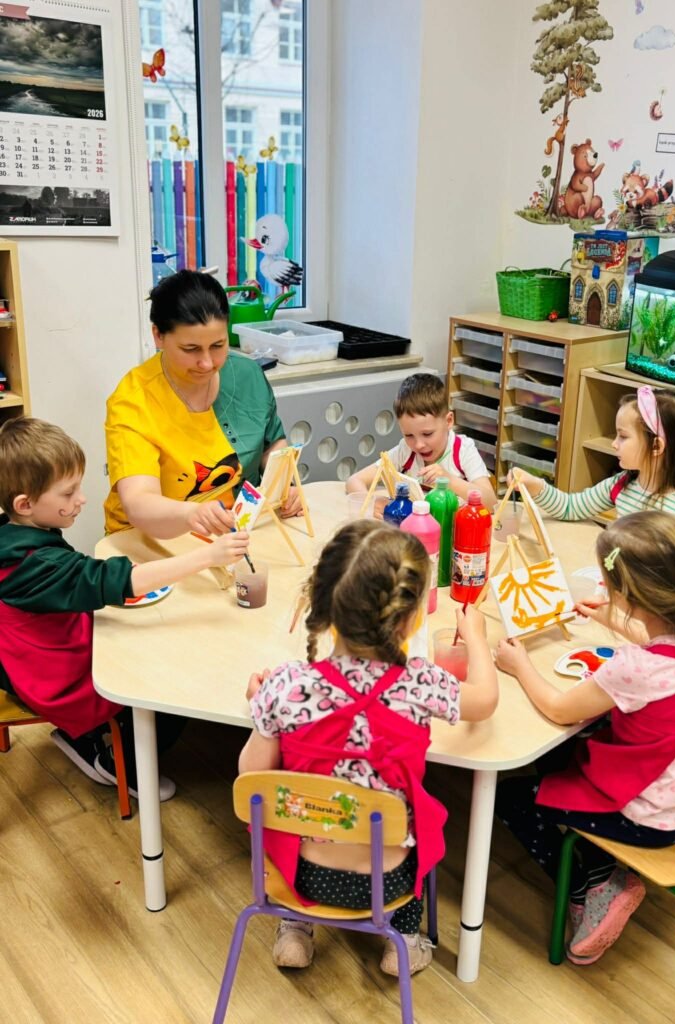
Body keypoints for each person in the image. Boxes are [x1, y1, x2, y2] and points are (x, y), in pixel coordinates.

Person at [238, 518, 498, 975]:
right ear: (411, 617)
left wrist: (265, 711)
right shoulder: (421, 682)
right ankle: (404, 941)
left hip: (303, 875)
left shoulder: (286, 685)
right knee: (413, 824)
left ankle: (295, 927)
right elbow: (485, 700)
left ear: (321, 602)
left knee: (296, 814)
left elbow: (251, 780)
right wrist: (475, 636)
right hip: (388, 879)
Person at [493, 510, 675, 965]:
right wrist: (613, 620)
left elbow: (558, 708)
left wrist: (519, 664)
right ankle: (601, 870)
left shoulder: (637, 667)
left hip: (649, 817)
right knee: (566, 752)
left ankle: (591, 889)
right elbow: (662, 640)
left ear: (628, 594)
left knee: (510, 796)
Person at [0, 418, 251, 798]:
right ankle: (121, 765)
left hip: (37, 653)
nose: (82, 499)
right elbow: (112, 580)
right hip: (56, 680)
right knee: (169, 678)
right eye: (68, 493)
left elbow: (85, 579)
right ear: (25, 504)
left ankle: (91, 738)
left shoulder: (13, 535)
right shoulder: (34, 563)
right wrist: (207, 556)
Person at [104, 269, 302, 538]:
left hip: (234, 529)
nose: (207, 363)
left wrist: (286, 485)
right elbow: (139, 502)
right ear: (158, 336)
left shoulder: (246, 375)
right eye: (191, 349)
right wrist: (193, 515)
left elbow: (272, 444)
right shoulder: (133, 401)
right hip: (154, 537)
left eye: (218, 345)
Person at [509, 386, 675, 557]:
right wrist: (533, 483)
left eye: (623, 437)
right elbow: (570, 508)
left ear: (656, 446)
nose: (614, 444)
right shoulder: (622, 484)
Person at [346, 373, 496, 510]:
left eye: (427, 434)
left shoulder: (463, 450)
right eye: (409, 435)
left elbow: (491, 503)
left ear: (449, 421)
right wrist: (371, 503)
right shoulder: (405, 450)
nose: (418, 445)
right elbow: (354, 480)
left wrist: (449, 480)